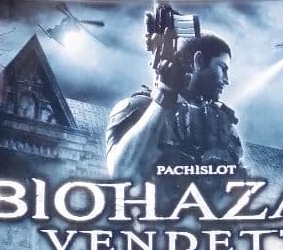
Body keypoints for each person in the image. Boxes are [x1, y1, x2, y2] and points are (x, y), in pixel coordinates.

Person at [105, 31, 245, 187]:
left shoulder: (221, 122)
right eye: (222, 68)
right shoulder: (138, 107)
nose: (226, 80)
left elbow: (239, 183)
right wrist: (163, 96)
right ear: (199, 61)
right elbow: (122, 175)